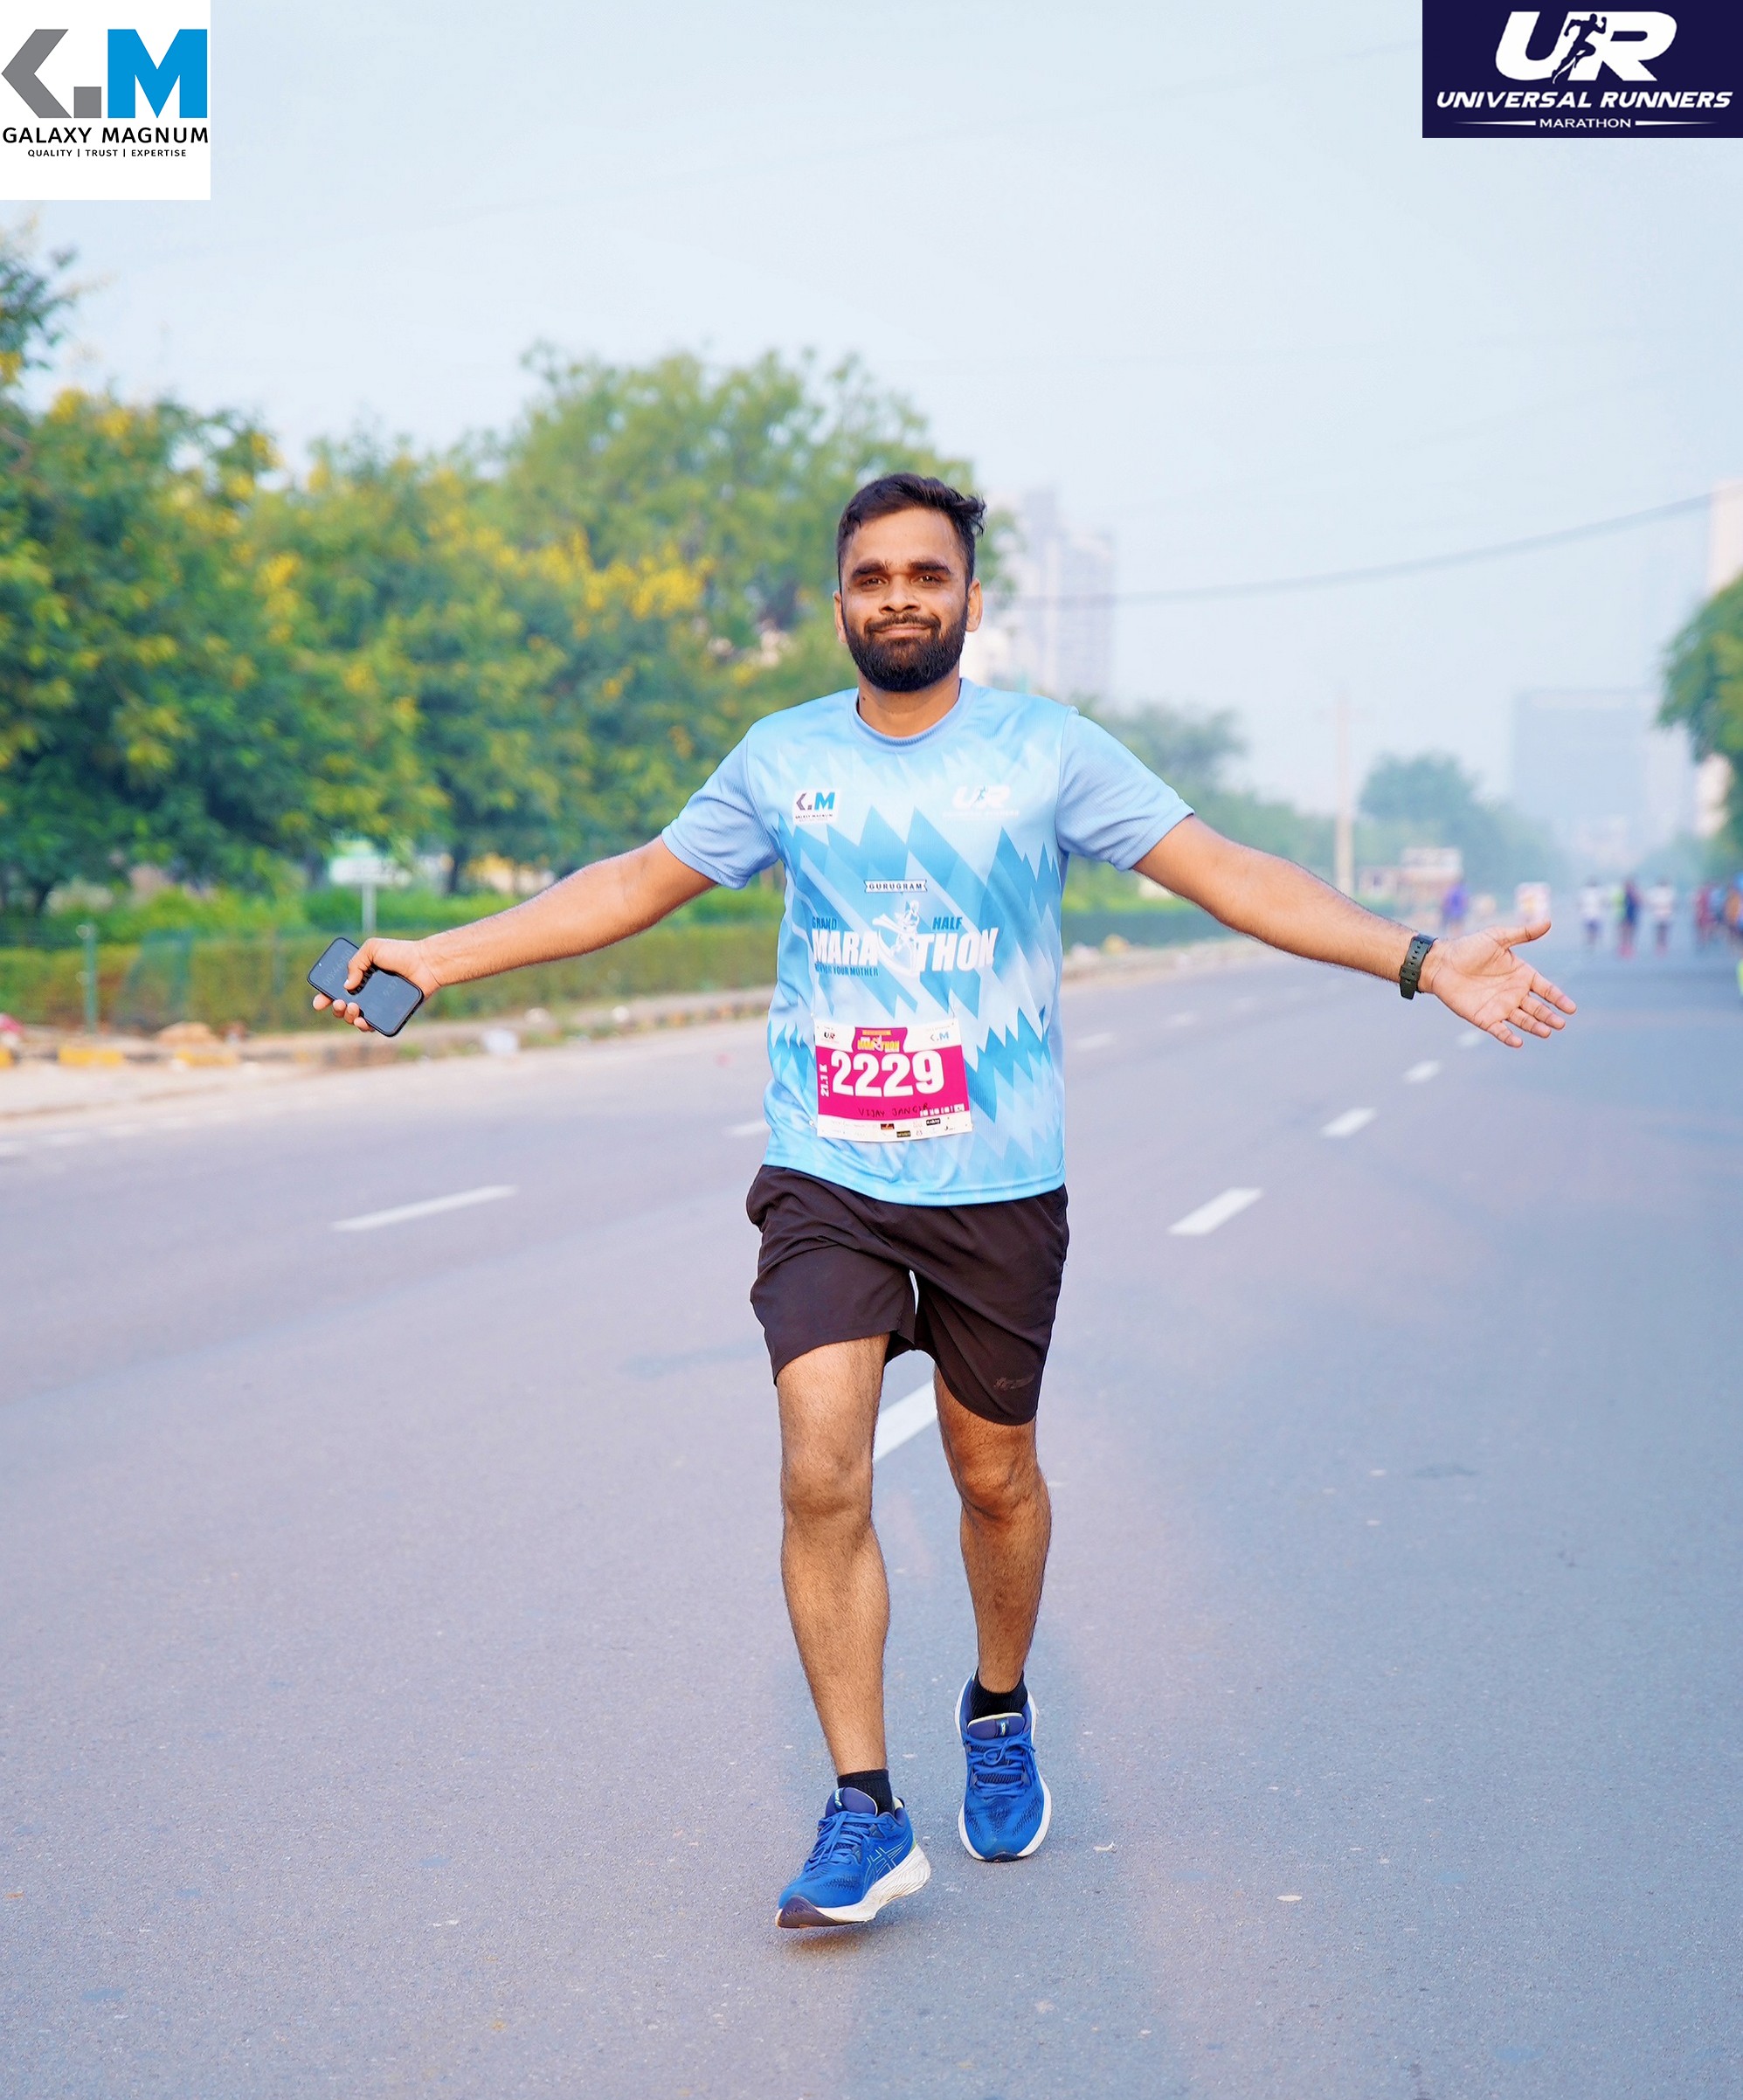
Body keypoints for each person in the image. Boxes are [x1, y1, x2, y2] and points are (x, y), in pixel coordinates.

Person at [315, 474, 1577, 1931]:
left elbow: (1227, 874)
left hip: (998, 1187)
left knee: (992, 1479)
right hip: (829, 1176)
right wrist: (440, 957)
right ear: (840, 602)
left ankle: (996, 1702)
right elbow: (631, 885)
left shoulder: (1048, 751)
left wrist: (1417, 959)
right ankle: (863, 1809)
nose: (899, 596)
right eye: (872, 576)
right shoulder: (782, 758)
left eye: (926, 573)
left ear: (970, 597)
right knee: (819, 1470)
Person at [1646, 876, 1676, 954]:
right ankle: (1659, 945)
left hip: (1666, 914)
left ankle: (1663, 945)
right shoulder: (1654, 891)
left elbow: (1673, 903)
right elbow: (1650, 903)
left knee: (1664, 931)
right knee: (1659, 931)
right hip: (1658, 914)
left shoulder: (1669, 891)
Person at [1580, 877, 1608, 950]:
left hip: (1588, 914)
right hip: (1595, 914)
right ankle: (1592, 942)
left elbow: (1579, 904)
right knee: (1593, 930)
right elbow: (1604, 902)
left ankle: (1591, 943)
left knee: (1590, 930)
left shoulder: (1584, 892)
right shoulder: (1599, 892)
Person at [1618, 877, 1641, 957]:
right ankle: (1623, 948)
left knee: (1631, 932)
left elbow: (1639, 902)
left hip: (1632, 914)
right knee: (1624, 932)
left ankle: (1630, 948)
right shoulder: (1621, 894)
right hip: (1623, 915)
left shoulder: (1635, 894)